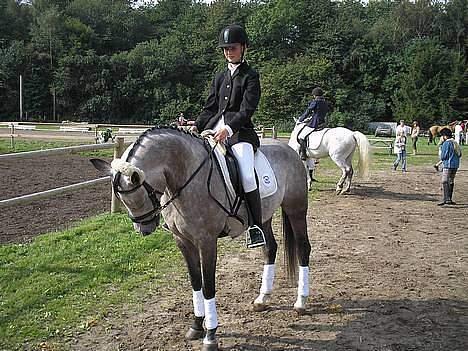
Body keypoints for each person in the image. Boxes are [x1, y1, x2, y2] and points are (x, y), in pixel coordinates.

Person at [192, 24, 264, 248]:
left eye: (232, 48)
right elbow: (211, 107)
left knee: (248, 175)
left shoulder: (251, 76)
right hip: (213, 132)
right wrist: (197, 125)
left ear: (243, 48)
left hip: (239, 134)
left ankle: (255, 227)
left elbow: (247, 110)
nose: (228, 52)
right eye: (225, 48)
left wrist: (229, 128)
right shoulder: (220, 76)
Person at [297, 87, 329, 160]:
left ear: (314, 95)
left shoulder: (315, 102)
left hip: (315, 123)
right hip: (323, 122)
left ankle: (303, 154)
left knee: (301, 137)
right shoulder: (325, 102)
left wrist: (301, 119)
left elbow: (308, 111)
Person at [437, 127, 462, 206]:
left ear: (444, 136)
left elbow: (443, 156)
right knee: (451, 181)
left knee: (445, 181)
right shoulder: (455, 142)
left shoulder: (446, 143)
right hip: (455, 165)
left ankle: (446, 199)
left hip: (448, 165)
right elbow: (460, 154)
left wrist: (440, 147)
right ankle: (449, 199)